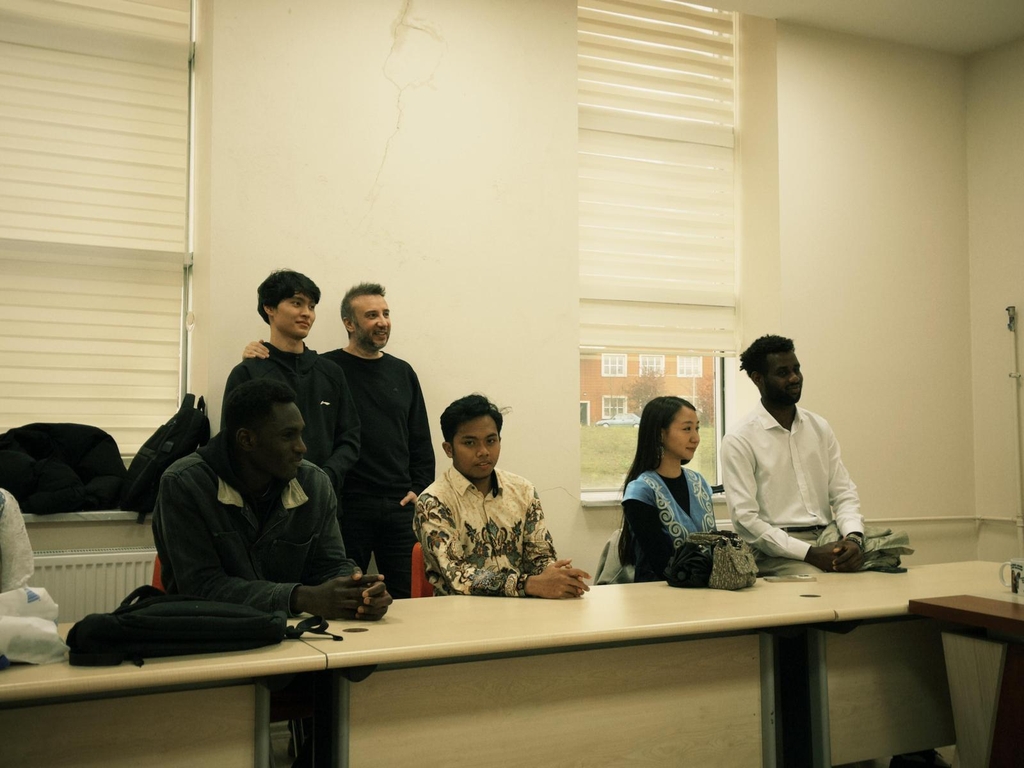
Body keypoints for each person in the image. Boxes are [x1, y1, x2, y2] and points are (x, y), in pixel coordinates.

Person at [246, 282, 433, 599]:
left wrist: (419, 488)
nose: (382, 322)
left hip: (399, 505)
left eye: (386, 314)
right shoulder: (326, 370)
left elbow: (420, 439)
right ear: (349, 323)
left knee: (409, 597)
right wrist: (256, 353)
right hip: (347, 506)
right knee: (347, 595)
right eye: (371, 315)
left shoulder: (402, 372)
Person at [152, 378, 391, 620]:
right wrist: (298, 598)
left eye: (300, 434)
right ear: (246, 440)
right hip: (211, 634)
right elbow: (201, 588)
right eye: (288, 436)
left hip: (296, 632)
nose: (302, 447)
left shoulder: (314, 483)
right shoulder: (185, 483)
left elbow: (330, 565)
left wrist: (359, 592)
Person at [413, 394, 590, 598]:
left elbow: (540, 557)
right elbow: (457, 576)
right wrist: (527, 585)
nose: (483, 451)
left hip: (524, 610)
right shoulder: (433, 502)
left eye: (491, 441)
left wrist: (556, 575)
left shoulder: (523, 490)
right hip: (460, 612)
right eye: (470, 443)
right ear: (449, 449)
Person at [721, 334, 865, 576]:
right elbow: (746, 522)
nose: (794, 377)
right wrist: (810, 553)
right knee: (822, 581)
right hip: (774, 552)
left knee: (884, 571)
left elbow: (844, 493)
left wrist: (853, 538)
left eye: (796, 369)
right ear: (758, 379)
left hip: (829, 538)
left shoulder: (819, 427)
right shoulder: (739, 439)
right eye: (783, 372)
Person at [225, 270, 360, 496]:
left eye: (311, 306)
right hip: (266, 500)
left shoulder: (331, 373)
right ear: (269, 308)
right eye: (297, 303)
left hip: (324, 498)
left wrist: (324, 478)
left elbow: (350, 438)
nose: (306, 313)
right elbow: (234, 442)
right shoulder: (248, 372)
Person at [618, 396, 717, 582]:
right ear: (660, 434)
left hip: (705, 588)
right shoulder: (641, 492)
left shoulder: (699, 483)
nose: (695, 438)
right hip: (658, 592)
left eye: (697, 428)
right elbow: (661, 563)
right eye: (686, 429)